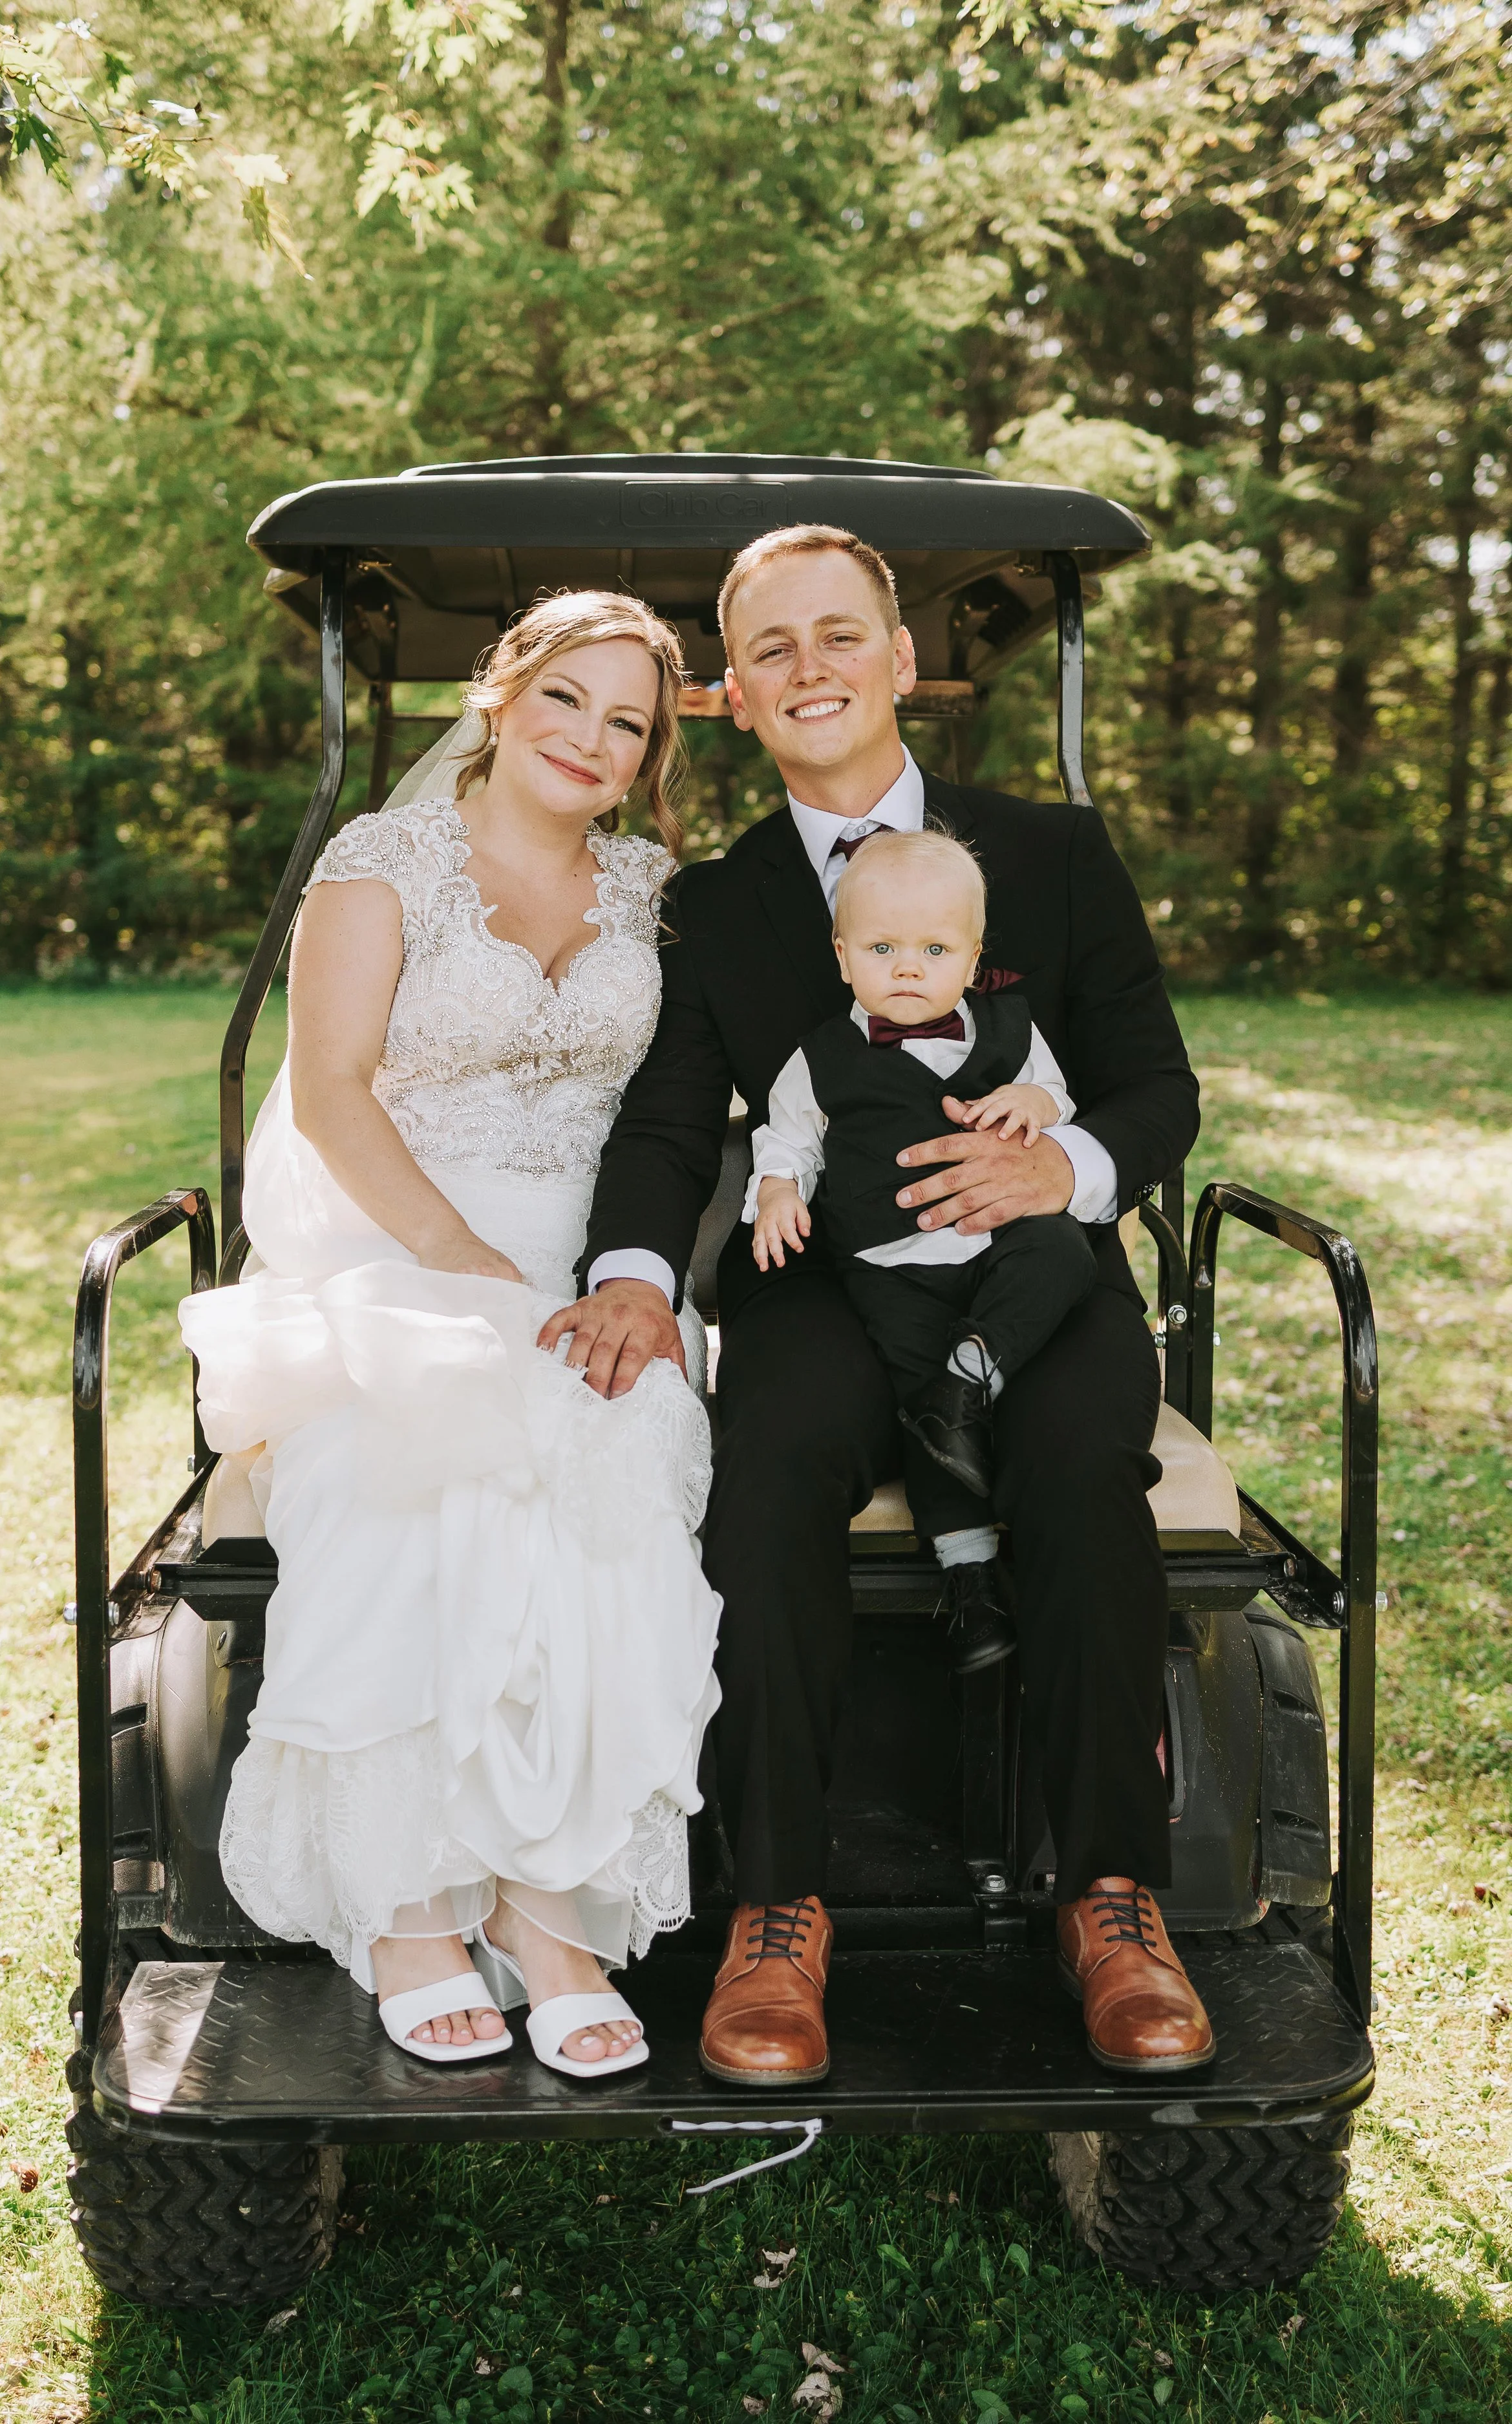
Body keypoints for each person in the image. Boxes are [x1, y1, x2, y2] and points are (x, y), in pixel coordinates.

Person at [544, 524, 1215, 2084]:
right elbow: (663, 1122)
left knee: (1072, 1468)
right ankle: (778, 1907)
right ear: (734, 696)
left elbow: (1152, 1084)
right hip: (822, 1284)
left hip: (1031, 1281)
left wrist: (1076, 1175)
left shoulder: (1047, 852)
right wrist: (637, 1278)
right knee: (763, 1475)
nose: (811, 669)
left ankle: (1110, 1897)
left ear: (902, 662)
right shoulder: (715, 906)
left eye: (840, 636)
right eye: (771, 650)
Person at [180, 591, 722, 2083]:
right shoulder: (382, 864)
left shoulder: (641, 889)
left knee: (617, 1463)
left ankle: (546, 1909)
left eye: (627, 723)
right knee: (416, 1459)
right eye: (566, 699)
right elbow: (336, 1091)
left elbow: (673, 1109)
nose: (589, 739)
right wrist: (461, 1264)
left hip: (579, 1261)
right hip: (393, 1234)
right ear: (499, 697)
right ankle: (416, 1909)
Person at [747, 825, 1098, 1675]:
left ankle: (976, 1366)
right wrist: (778, 1192)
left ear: (973, 960)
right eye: (882, 947)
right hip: (888, 1269)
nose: (907, 968)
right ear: (843, 958)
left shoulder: (1011, 1033)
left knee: (1066, 1254)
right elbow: (785, 1137)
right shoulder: (822, 1059)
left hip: (995, 1247)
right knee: (927, 1422)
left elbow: (1058, 1095)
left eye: (934, 948)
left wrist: (1030, 1102)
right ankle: (970, 1580)